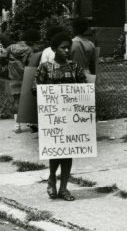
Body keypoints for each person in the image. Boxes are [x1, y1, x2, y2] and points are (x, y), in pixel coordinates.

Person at [34, 32, 87, 201]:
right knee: (55, 151)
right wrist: (41, 92)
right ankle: (51, 178)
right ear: (54, 49)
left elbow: (84, 87)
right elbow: (36, 87)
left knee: (68, 152)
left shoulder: (75, 67)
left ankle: (64, 187)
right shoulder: (45, 67)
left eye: (68, 47)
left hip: (70, 116)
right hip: (52, 117)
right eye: (62, 47)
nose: (66, 50)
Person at [1, 28, 38, 132]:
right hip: (26, 77)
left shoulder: (10, 47)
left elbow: (1, 58)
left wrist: (9, 63)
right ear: (30, 40)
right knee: (29, 101)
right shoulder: (29, 50)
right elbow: (31, 64)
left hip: (13, 78)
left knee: (16, 101)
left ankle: (17, 126)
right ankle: (31, 124)